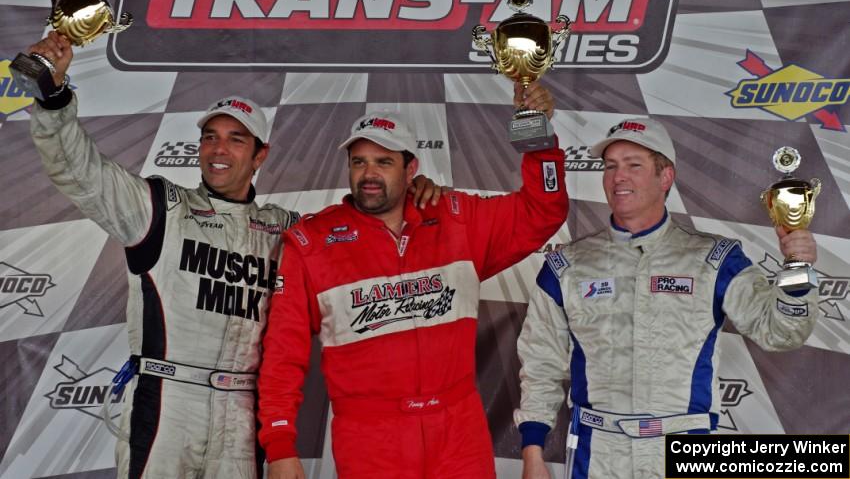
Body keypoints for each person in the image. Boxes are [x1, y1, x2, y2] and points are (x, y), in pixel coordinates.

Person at [25, 31, 441, 479]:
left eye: (237, 139)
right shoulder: (160, 207)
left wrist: (411, 194)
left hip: (243, 410)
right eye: (210, 137)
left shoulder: (285, 229)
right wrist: (53, 101)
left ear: (261, 155)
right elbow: (80, 171)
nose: (219, 149)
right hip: (167, 402)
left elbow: (355, 235)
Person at [258, 83, 569, 479]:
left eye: (383, 162)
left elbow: (543, 211)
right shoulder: (311, 243)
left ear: (410, 169)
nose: (369, 174)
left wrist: (538, 139)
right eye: (359, 162)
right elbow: (283, 355)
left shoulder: (458, 219)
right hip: (371, 438)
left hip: (458, 431)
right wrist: (281, 445)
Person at [514, 117, 819, 479]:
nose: (618, 177)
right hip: (597, 453)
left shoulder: (714, 259)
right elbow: (540, 363)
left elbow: (780, 332)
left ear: (666, 178)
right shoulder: (567, 265)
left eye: (634, 165)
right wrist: (532, 452)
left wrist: (797, 268)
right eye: (611, 166)